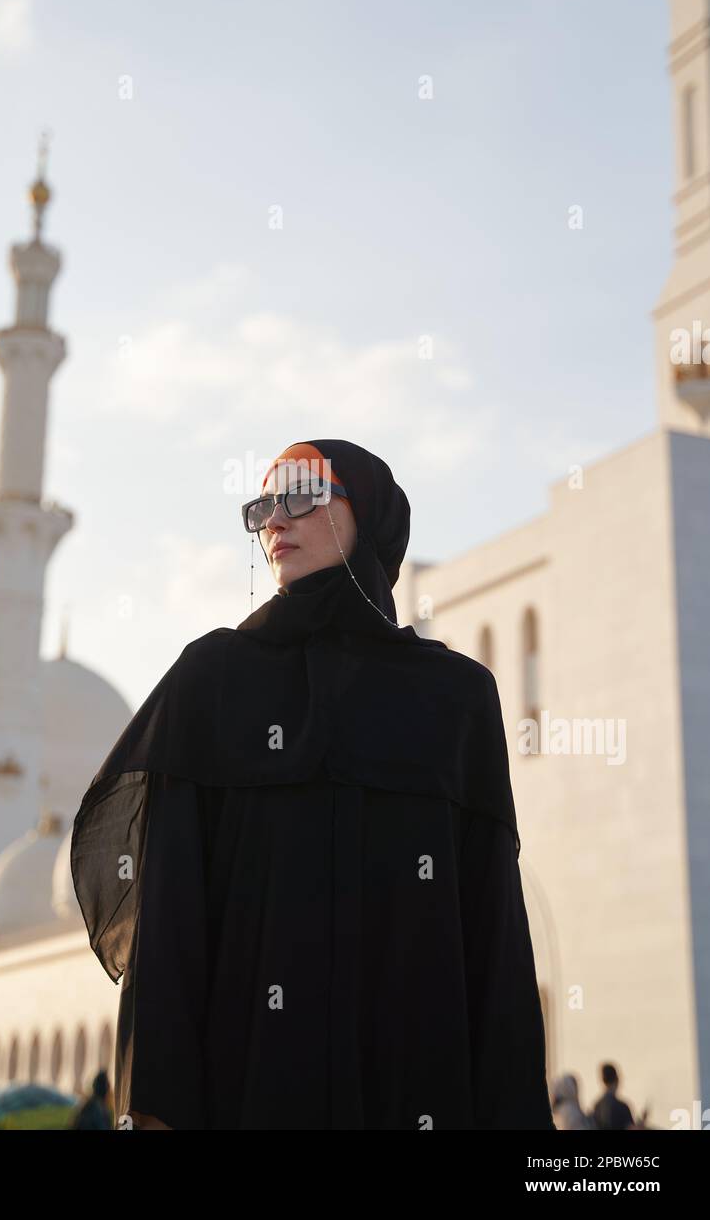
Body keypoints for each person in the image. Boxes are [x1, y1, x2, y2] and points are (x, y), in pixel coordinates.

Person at [70, 438, 555, 1130]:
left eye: (301, 495)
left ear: (372, 517)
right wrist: (156, 1103)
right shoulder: (213, 679)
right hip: (246, 1084)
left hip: (416, 1078)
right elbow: (172, 913)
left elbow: (493, 928)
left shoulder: (455, 698)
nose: (275, 520)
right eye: (263, 505)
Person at [592, 1062, 635, 1130]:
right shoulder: (622, 1107)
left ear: (603, 1080)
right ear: (617, 1080)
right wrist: (642, 1123)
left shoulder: (597, 1106)